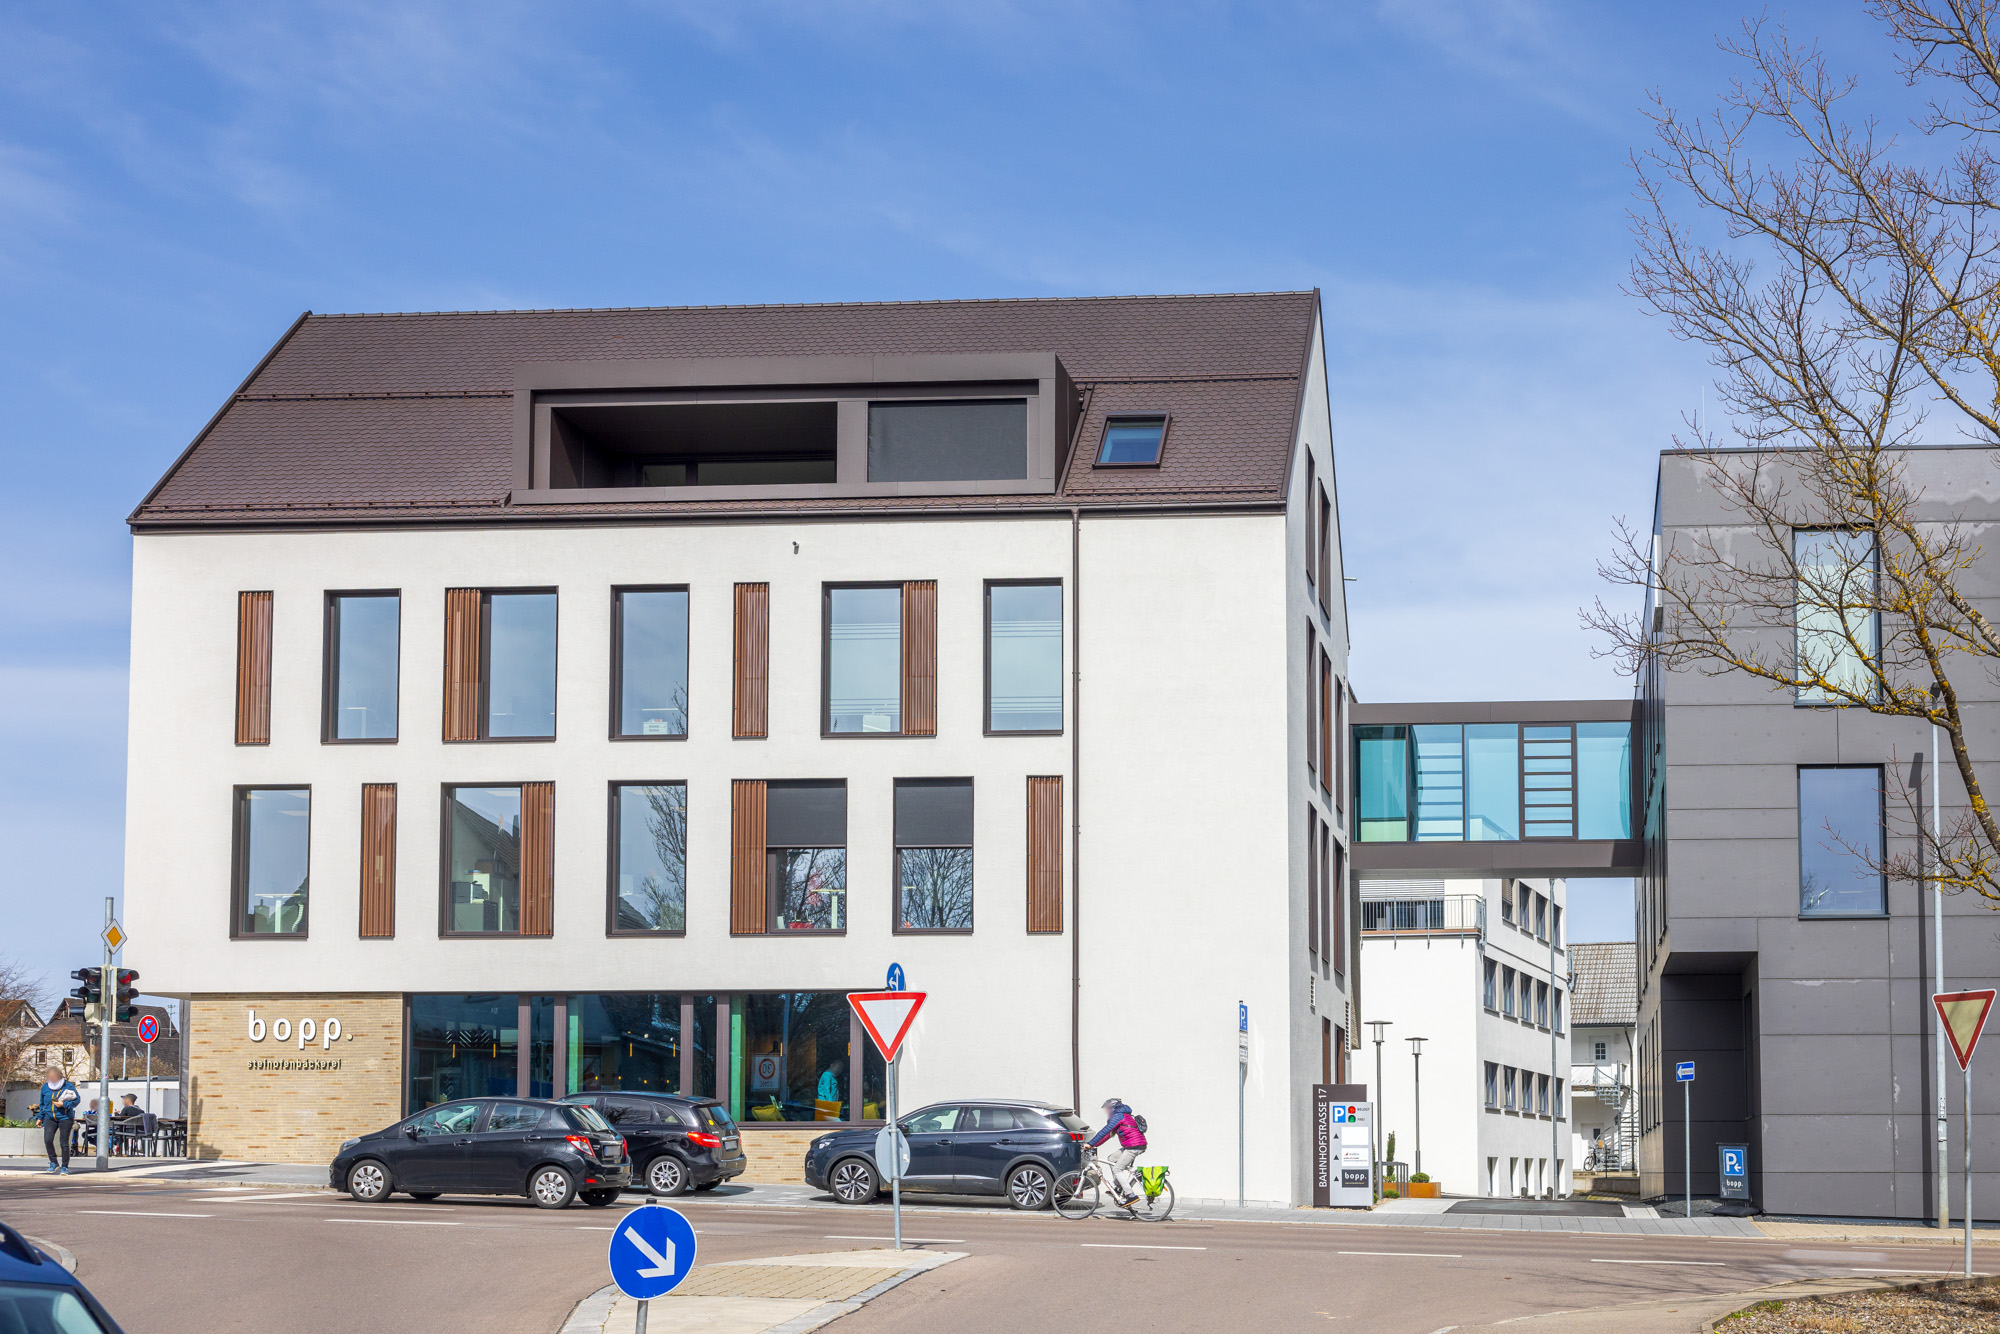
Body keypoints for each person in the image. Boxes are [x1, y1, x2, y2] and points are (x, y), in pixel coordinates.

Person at [1087, 1097, 1148, 1207]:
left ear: (1113, 1108)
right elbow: (1107, 1135)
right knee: (1112, 1158)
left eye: (1107, 1109)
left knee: (1117, 1169)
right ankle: (1119, 1187)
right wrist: (1094, 1145)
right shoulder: (1122, 1115)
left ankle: (1131, 1195)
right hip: (1131, 1145)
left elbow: (1105, 1130)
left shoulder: (1119, 1116)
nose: (1106, 1111)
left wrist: (1090, 1143)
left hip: (1134, 1146)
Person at [32, 1072, 81, 1175]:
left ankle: (64, 1167)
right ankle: (53, 1162)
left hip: (65, 1117)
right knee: (48, 1140)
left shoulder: (68, 1086)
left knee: (64, 1143)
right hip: (50, 1117)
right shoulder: (45, 1087)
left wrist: (64, 1104)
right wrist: (40, 1117)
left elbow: (77, 1100)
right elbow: (42, 1104)